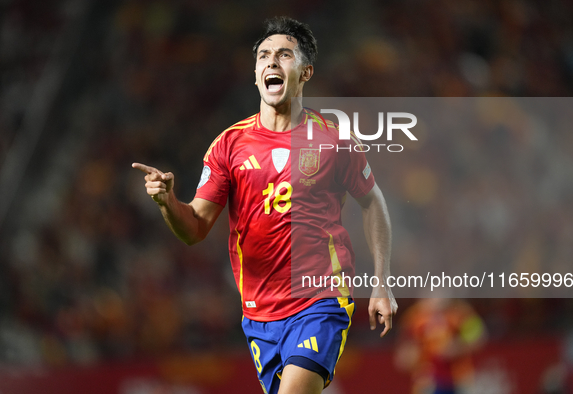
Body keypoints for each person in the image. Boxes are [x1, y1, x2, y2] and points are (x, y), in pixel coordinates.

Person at [132, 16, 396, 394]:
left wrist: (381, 282)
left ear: (305, 72)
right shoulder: (228, 146)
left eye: (283, 55)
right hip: (259, 315)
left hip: (319, 300)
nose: (271, 62)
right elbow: (193, 229)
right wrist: (166, 201)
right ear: (256, 74)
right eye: (264, 56)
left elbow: (373, 204)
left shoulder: (334, 141)